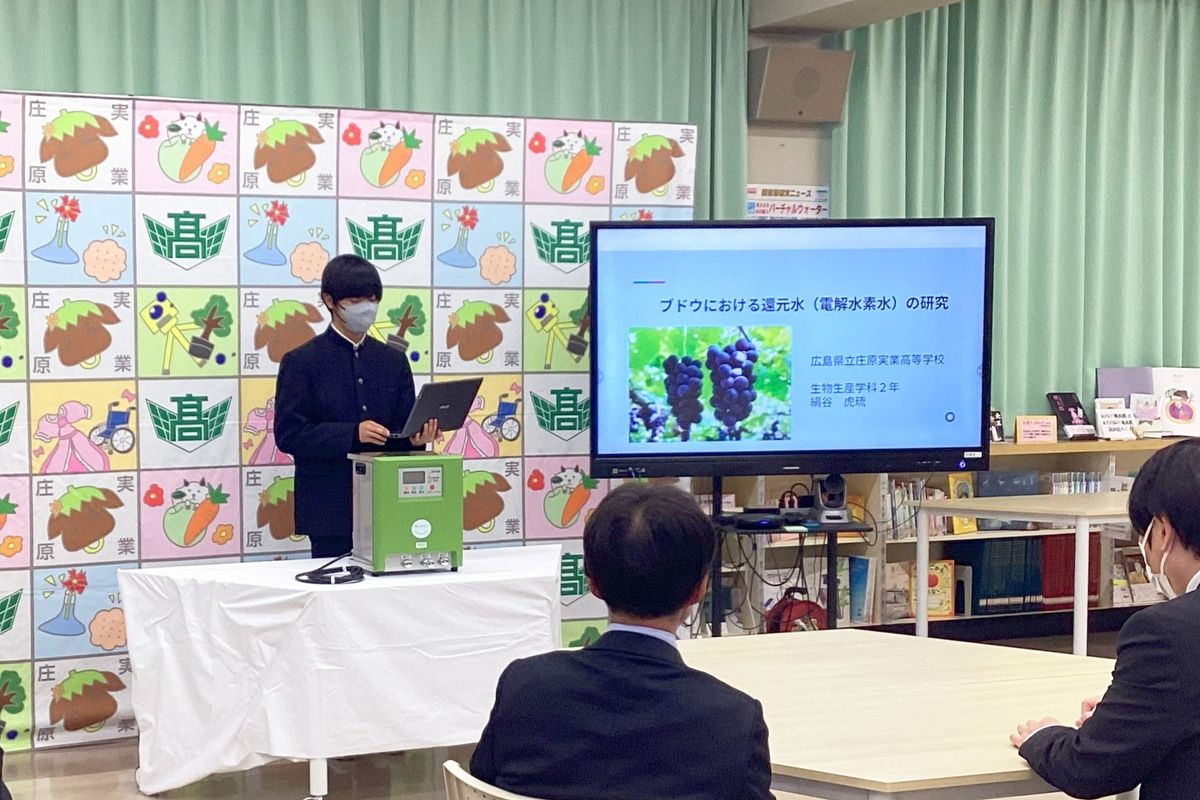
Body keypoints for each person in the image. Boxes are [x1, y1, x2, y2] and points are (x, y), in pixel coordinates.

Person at [470, 483, 773, 800]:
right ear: (699, 589)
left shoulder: (525, 686)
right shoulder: (733, 721)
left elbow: (481, 788)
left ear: (592, 583)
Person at [1010, 438, 1200, 800]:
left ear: (1162, 532)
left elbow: (1090, 769)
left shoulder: (1166, 632)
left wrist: (1043, 735)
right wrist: (1130, 710)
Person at [275, 254, 438, 558]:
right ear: (329, 301)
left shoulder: (393, 360)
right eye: (355, 300)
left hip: (389, 501)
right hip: (329, 508)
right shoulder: (301, 362)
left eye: (373, 299)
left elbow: (402, 429)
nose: (366, 307)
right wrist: (352, 434)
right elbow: (290, 435)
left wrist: (417, 439)